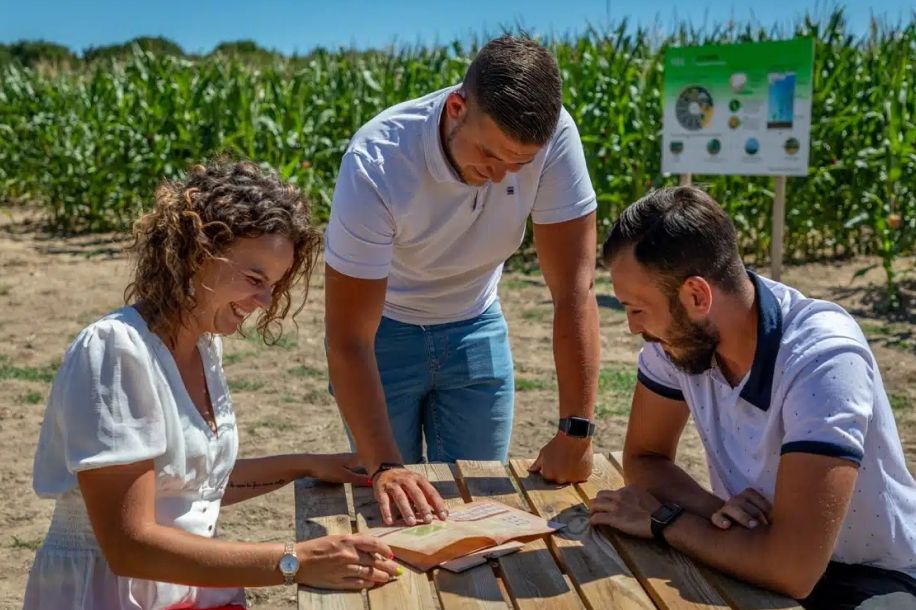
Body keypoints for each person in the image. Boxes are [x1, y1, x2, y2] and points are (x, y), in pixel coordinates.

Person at [23, 159, 400, 610]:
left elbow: (188, 486)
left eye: (273, 285)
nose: (263, 302)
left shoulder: (203, 345)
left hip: (187, 588)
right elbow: (129, 547)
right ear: (197, 253)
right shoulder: (115, 352)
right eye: (255, 278)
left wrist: (306, 465)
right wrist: (294, 561)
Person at [589, 186, 916, 609]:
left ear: (696, 296)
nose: (634, 327)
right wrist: (714, 512)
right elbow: (645, 457)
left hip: (871, 577)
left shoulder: (822, 357)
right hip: (757, 555)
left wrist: (664, 520)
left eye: (636, 308)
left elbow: (792, 571)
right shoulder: (676, 340)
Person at [324, 34, 601, 526]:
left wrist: (576, 432)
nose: (500, 177)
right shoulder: (377, 162)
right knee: (394, 513)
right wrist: (386, 467)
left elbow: (574, 291)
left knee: (473, 514)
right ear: (456, 108)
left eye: (518, 164)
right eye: (489, 155)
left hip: (476, 325)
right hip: (383, 335)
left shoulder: (556, 137)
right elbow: (348, 338)